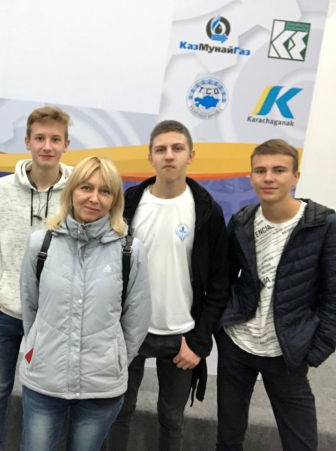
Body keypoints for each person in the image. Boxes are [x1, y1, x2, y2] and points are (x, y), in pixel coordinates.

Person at [105, 120, 229, 451]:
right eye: (161, 149)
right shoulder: (129, 203)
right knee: (119, 412)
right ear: (150, 157)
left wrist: (199, 342)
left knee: (172, 419)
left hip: (182, 336)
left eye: (177, 148)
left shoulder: (207, 211)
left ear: (191, 155)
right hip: (129, 331)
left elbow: (220, 283)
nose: (169, 155)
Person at [19, 156, 152, 451]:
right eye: (86, 188)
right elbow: (30, 308)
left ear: (115, 200)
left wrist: (114, 359)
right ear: (71, 191)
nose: (94, 198)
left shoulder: (130, 251)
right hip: (44, 378)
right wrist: (38, 348)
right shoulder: (41, 244)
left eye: (105, 191)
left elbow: (136, 320)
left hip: (100, 385)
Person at [215, 139, 336, 451]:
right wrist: (222, 330)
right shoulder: (241, 221)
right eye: (261, 170)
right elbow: (223, 281)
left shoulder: (324, 225)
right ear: (251, 176)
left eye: (279, 170)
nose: (268, 177)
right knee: (228, 438)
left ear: (295, 176)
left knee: (301, 444)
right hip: (237, 345)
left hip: (287, 353)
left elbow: (334, 297)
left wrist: (313, 350)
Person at [0, 106, 72, 451]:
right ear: (27, 141)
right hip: (3, 312)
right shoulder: (1, 189)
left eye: (55, 139)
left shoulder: (78, 189)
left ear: (66, 144)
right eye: (40, 138)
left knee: (42, 397)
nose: (47, 146)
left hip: (51, 318)